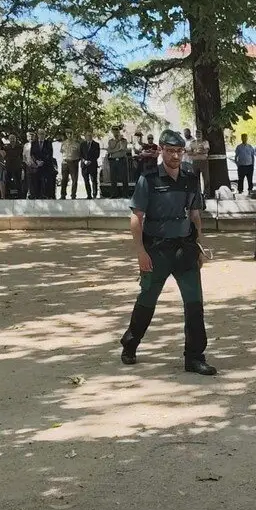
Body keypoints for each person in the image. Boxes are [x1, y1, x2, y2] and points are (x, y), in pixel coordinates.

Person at [119, 129, 215, 376]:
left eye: (179, 151)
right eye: (170, 150)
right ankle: (130, 343)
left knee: (194, 304)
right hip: (156, 250)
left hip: (185, 249)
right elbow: (136, 217)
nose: (175, 155)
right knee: (147, 300)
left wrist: (200, 247)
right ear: (161, 150)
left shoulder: (191, 178)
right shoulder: (148, 179)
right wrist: (140, 252)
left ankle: (194, 357)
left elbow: (195, 216)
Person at [107, 127, 130, 198]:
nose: (115, 132)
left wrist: (115, 148)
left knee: (124, 177)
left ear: (119, 131)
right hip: (113, 160)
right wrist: (117, 149)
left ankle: (125, 194)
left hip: (121, 159)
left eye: (117, 131)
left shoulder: (123, 140)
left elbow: (123, 149)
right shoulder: (110, 141)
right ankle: (114, 194)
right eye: (114, 131)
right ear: (112, 132)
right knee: (113, 178)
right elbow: (109, 151)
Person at [186, 130, 211, 196]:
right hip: (195, 162)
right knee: (195, 179)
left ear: (202, 134)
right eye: (197, 134)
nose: (198, 135)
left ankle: (206, 194)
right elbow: (188, 152)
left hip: (204, 162)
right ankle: (197, 194)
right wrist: (195, 152)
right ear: (195, 135)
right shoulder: (192, 143)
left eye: (199, 134)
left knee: (206, 178)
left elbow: (206, 151)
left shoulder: (205, 142)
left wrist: (199, 151)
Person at [60, 130, 81, 200]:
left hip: (74, 162)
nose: (69, 135)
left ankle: (73, 194)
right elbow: (62, 152)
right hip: (65, 163)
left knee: (74, 180)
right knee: (64, 180)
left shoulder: (77, 144)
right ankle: (63, 195)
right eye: (68, 133)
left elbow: (80, 154)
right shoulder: (63, 143)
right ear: (66, 134)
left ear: (72, 134)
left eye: (70, 133)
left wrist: (76, 161)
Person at [80, 132, 101, 199]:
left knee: (94, 180)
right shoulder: (82, 144)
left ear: (92, 136)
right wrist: (84, 161)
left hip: (93, 164)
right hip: (84, 165)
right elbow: (80, 154)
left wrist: (90, 161)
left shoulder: (96, 144)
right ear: (85, 136)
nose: (88, 136)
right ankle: (89, 195)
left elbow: (97, 154)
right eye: (87, 135)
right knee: (86, 180)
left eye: (90, 135)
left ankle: (94, 194)